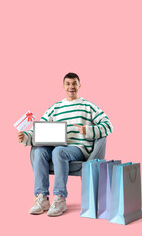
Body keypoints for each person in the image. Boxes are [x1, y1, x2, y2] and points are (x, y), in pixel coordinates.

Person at [17, 72, 113, 217]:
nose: (71, 86)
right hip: (57, 146)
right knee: (39, 152)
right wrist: (25, 137)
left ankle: (60, 198)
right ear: (63, 86)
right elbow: (40, 128)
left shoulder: (88, 106)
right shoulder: (56, 107)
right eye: (68, 84)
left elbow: (108, 125)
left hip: (78, 148)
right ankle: (41, 197)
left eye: (74, 83)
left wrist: (87, 130)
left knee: (59, 152)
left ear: (79, 85)